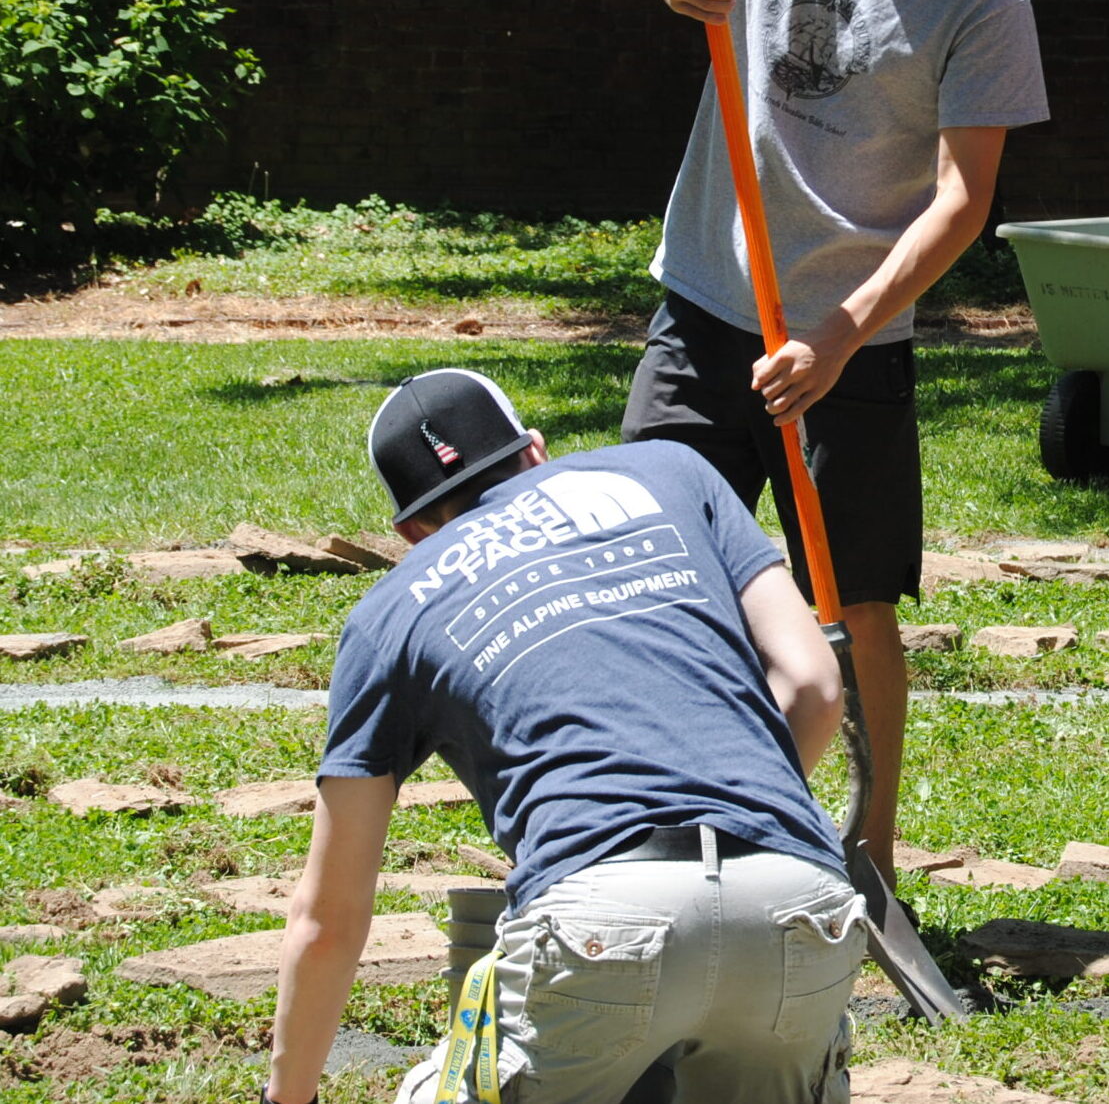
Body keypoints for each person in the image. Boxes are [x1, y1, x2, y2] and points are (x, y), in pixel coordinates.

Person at [553, 0, 1049, 886]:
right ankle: (643, 820)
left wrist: (843, 327)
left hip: (852, 339)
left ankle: (866, 848)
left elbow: (964, 201)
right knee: (651, 564)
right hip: (708, 307)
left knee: (857, 600)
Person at [264, 368, 864, 1104]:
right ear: (537, 453)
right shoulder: (669, 471)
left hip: (600, 919)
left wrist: (286, 1097)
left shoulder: (390, 610)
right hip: (799, 900)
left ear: (411, 532)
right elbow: (812, 686)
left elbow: (329, 919)